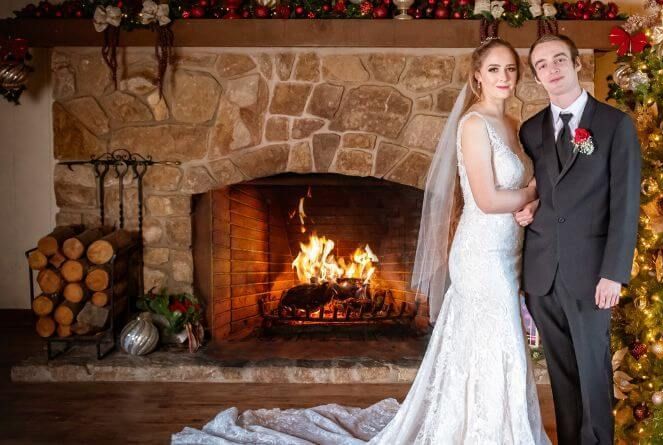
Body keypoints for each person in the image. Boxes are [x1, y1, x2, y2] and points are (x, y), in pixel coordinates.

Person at [171, 38, 549, 445]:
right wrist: (530, 195)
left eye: (510, 68)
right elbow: (489, 198)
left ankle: (496, 427)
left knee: (495, 343)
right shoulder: (473, 125)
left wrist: (534, 200)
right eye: (494, 69)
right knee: (497, 338)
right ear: (477, 75)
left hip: (509, 249)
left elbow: (525, 182)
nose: (504, 77)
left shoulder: (512, 125)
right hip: (482, 254)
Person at [514, 33, 641, 445]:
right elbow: (543, 186)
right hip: (543, 272)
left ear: (576, 64)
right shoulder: (532, 130)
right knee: (561, 374)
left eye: (558, 60)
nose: (551, 69)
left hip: (591, 273)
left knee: (592, 370)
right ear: (536, 76)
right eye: (542, 65)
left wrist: (614, 273)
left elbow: (624, 205)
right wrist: (530, 205)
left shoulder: (614, 124)